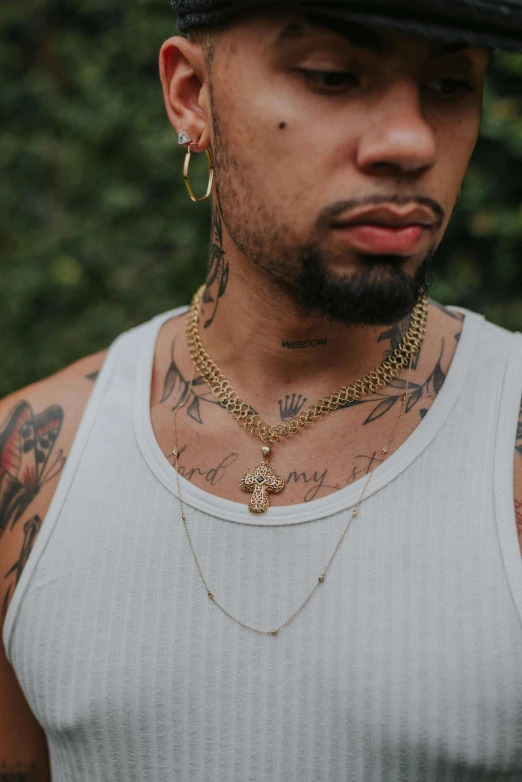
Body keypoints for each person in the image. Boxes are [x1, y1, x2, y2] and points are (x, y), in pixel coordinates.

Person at [1, 0, 522, 778]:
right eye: (333, 77)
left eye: (450, 86)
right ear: (190, 95)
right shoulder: (30, 461)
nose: (411, 142)